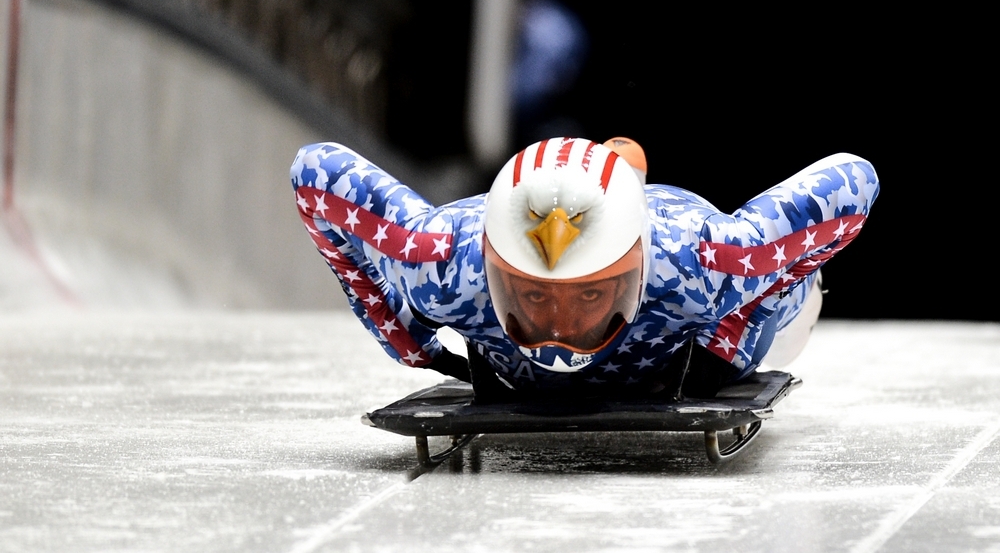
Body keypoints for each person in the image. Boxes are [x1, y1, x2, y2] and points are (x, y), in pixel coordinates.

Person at [290, 137, 879, 401]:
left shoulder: (706, 264)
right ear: (490, 267)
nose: (560, 328)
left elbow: (855, 181)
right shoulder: (442, 262)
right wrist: (407, 339)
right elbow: (312, 171)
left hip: (694, 290)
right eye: (533, 295)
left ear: (638, 272)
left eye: (590, 295)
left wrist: (732, 336)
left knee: (788, 329)